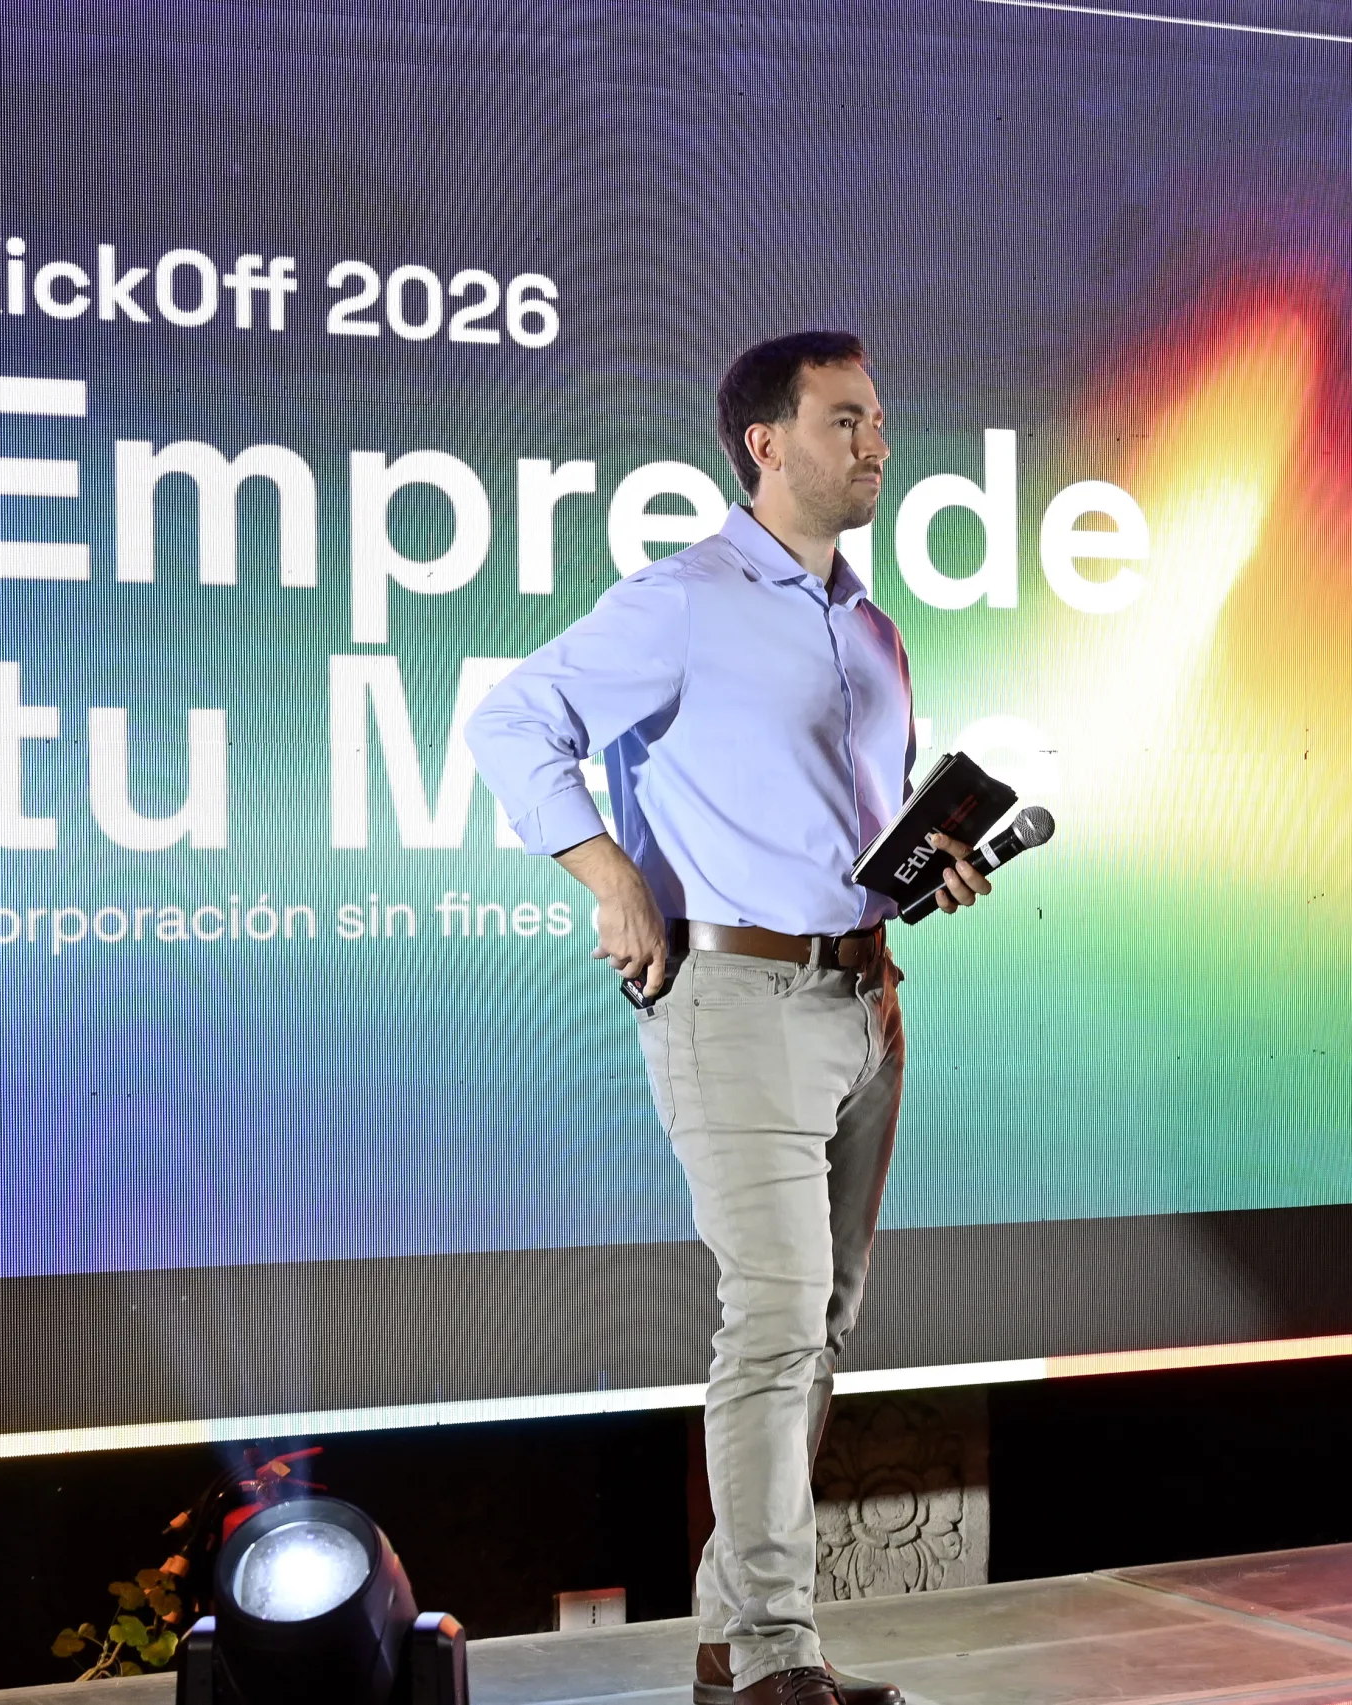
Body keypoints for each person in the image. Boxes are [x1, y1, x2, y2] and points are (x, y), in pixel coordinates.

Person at [467, 332, 990, 1705]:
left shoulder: (871, 628)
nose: (878, 444)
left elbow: (837, 831)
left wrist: (925, 866)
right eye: (847, 420)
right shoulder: (685, 600)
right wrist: (610, 875)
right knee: (772, 1319)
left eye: (879, 420)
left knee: (819, 1324)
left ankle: (730, 1638)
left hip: (864, 994)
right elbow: (513, 721)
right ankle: (770, 1654)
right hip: (734, 1000)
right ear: (767, 442)